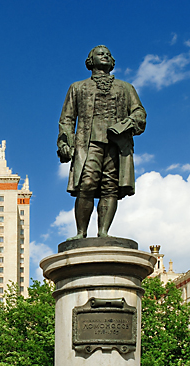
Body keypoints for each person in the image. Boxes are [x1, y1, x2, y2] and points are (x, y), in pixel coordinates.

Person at [58, 45, 146, 239]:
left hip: (117, 144)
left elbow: (139, 112)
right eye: (100, 54)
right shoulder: (77, 87)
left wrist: (127, 123)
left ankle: (103, 232)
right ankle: (81, 233)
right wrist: (65, 142)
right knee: (86, 184)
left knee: (110, 186)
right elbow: (67, 118)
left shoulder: (126, 87)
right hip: (88, 143)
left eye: (108, 54)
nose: (105, 56)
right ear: (90, 61)